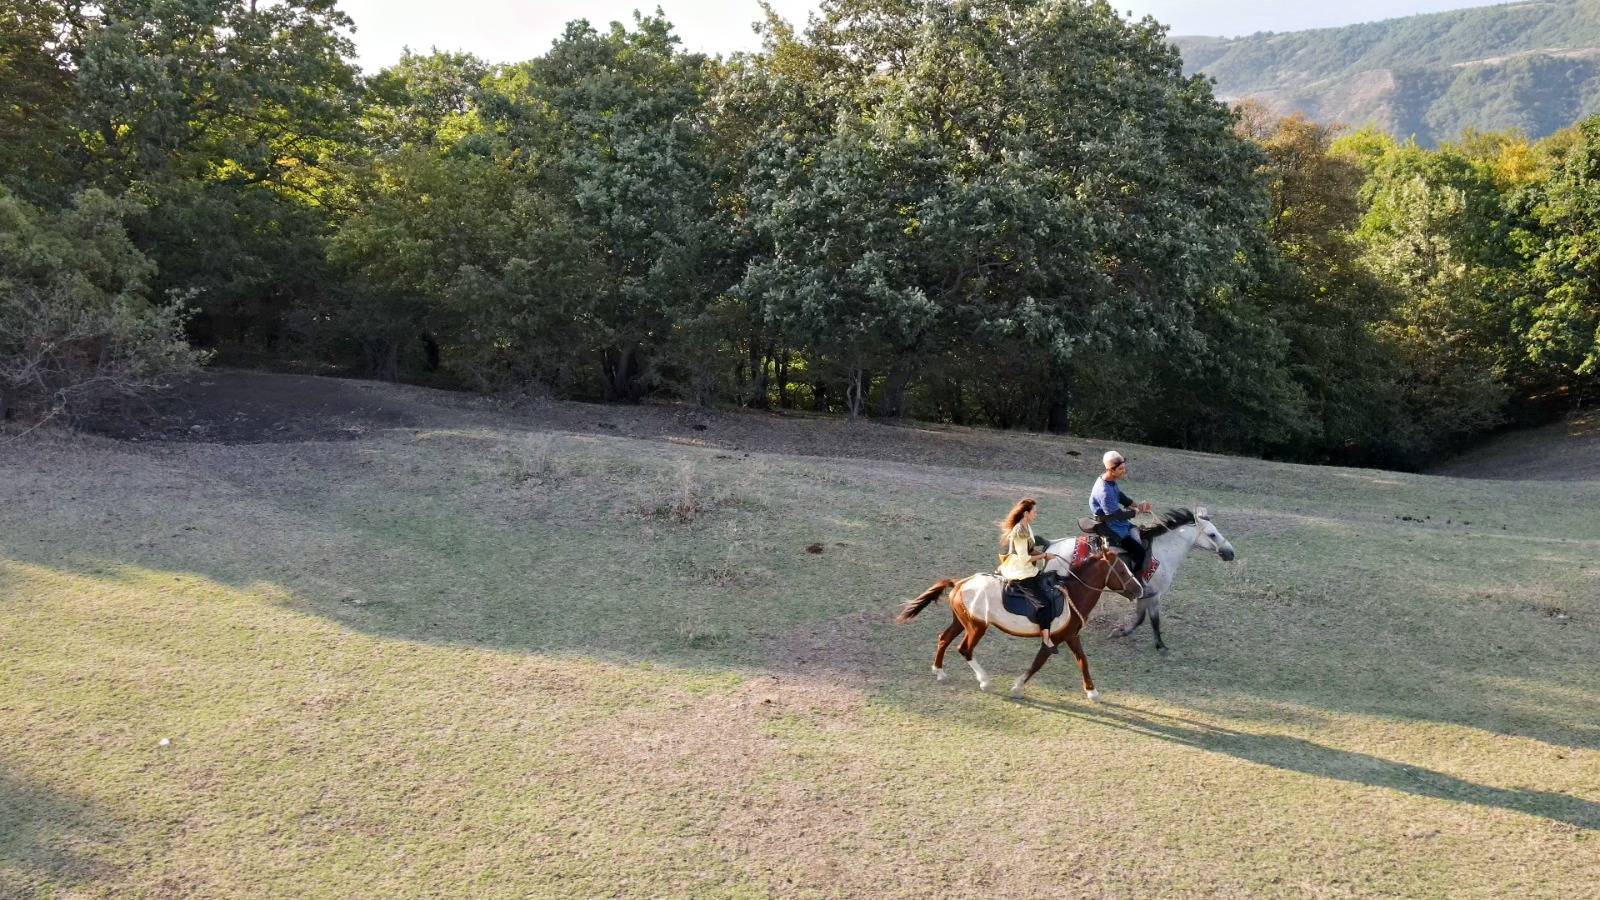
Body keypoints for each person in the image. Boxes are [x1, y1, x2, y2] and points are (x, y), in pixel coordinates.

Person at [997, 498, 1063, 647]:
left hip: (1027, 569)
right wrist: (1044, 556)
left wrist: (1045, 553)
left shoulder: (1026, 526)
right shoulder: (1020, 531)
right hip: (1019, 571)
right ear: (1026, 513)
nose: (1036, 514)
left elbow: (1030, 548)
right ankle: (1046, 639)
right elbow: (1024, 557)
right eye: (1034, 512)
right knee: (1043, 603)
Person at [1090, 450, 1155, 599]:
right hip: (1113, 528)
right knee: (1140, 552)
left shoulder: (1109, 481)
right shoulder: (1104, 491)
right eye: (1121, 469)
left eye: (1124, 468)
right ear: (1110, 469)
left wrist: (1134, 504)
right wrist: (1137, 511)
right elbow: (1117, 516)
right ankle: (1137, 585)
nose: (1124, 471)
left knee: (1143, 535)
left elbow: (1119, 495)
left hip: (1118, 522)